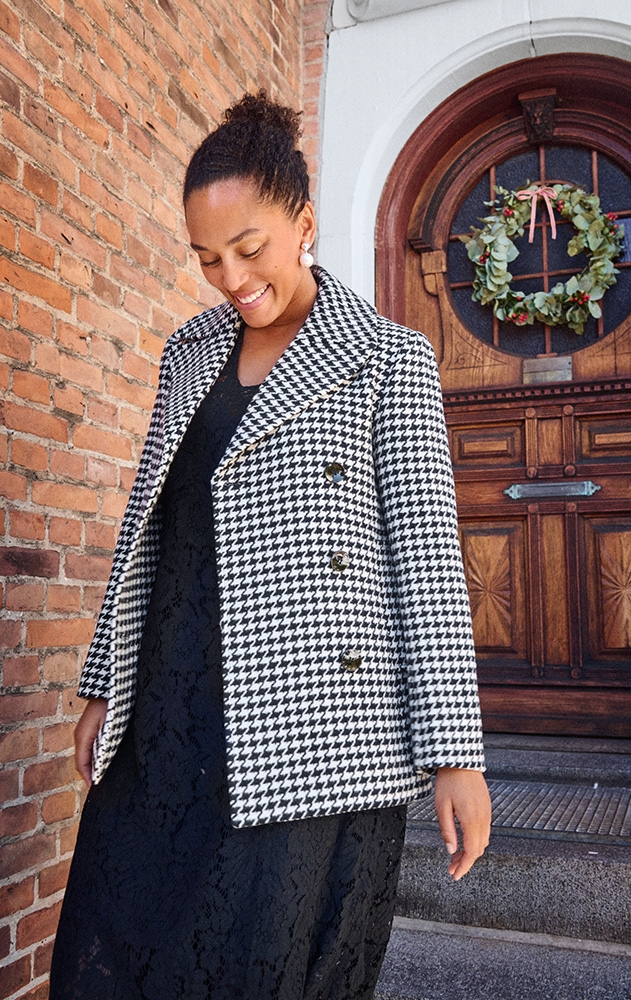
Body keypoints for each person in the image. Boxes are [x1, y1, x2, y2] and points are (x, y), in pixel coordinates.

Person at [50, 92, 491, 1000]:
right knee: (117, 936)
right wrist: (106, 682)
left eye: (248, 250)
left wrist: (455, 754)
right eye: (207, 258)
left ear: (303, 224)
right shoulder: (190, 349)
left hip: (310, 726)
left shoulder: (386, 357)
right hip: (173, 707)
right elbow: (150, 525)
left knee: (265, 968)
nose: (229, 278)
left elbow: (428, 561)